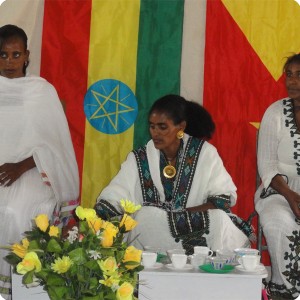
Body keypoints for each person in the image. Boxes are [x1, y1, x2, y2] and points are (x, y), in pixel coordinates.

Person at [95, 94, 252, 256]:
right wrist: (98, 215)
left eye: (162, 127)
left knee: (219, 219)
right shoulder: (139, 157)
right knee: (144, 216)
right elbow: (116, 192)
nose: (155, 133)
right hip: (154, 228)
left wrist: (180, 215)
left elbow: (222, 199)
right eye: (152, 126)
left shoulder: (205, 153)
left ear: (180, 127)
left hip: (195, 224)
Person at [0, 24, 79, 299]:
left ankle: (22, 287)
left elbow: (53, 144)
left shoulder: (41, 91)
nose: (9, 62)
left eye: (15, 54)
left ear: (27, 55)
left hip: (33, 169)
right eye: (3, 55)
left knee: (15, 212)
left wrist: (20, 166)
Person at [254, 53, 300, 300]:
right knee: (276, 222)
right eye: (289, 75)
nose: (291, 81)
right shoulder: (275, 113)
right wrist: (292, 196)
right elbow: (267, 164)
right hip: (279, 191)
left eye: (299, 75)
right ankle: (286, 291)